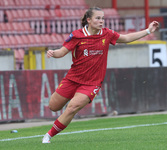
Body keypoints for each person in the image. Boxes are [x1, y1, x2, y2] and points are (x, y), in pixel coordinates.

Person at [42, 7, 159, 143]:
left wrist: (147, 31)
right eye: (98, 18)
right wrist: (53, 53)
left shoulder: (107, 34)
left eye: (103, 18)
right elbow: (62, 52)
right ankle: (64, 110)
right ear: (89, 20)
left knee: (72, 107)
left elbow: (126, 38)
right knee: (53, 106)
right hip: (72, 79)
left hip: (92, 83)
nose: (101, 21)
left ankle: (48, 136)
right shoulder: (77, 35)